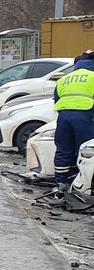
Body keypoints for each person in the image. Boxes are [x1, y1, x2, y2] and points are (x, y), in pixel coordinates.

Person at [51, 57, 94, 198]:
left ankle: (61, 183)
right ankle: (82, 182)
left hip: (64, 116)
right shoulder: (92, 76)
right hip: (85, 115)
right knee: (84, 150)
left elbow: (57, 98)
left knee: (63, 149)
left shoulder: (65, 78)